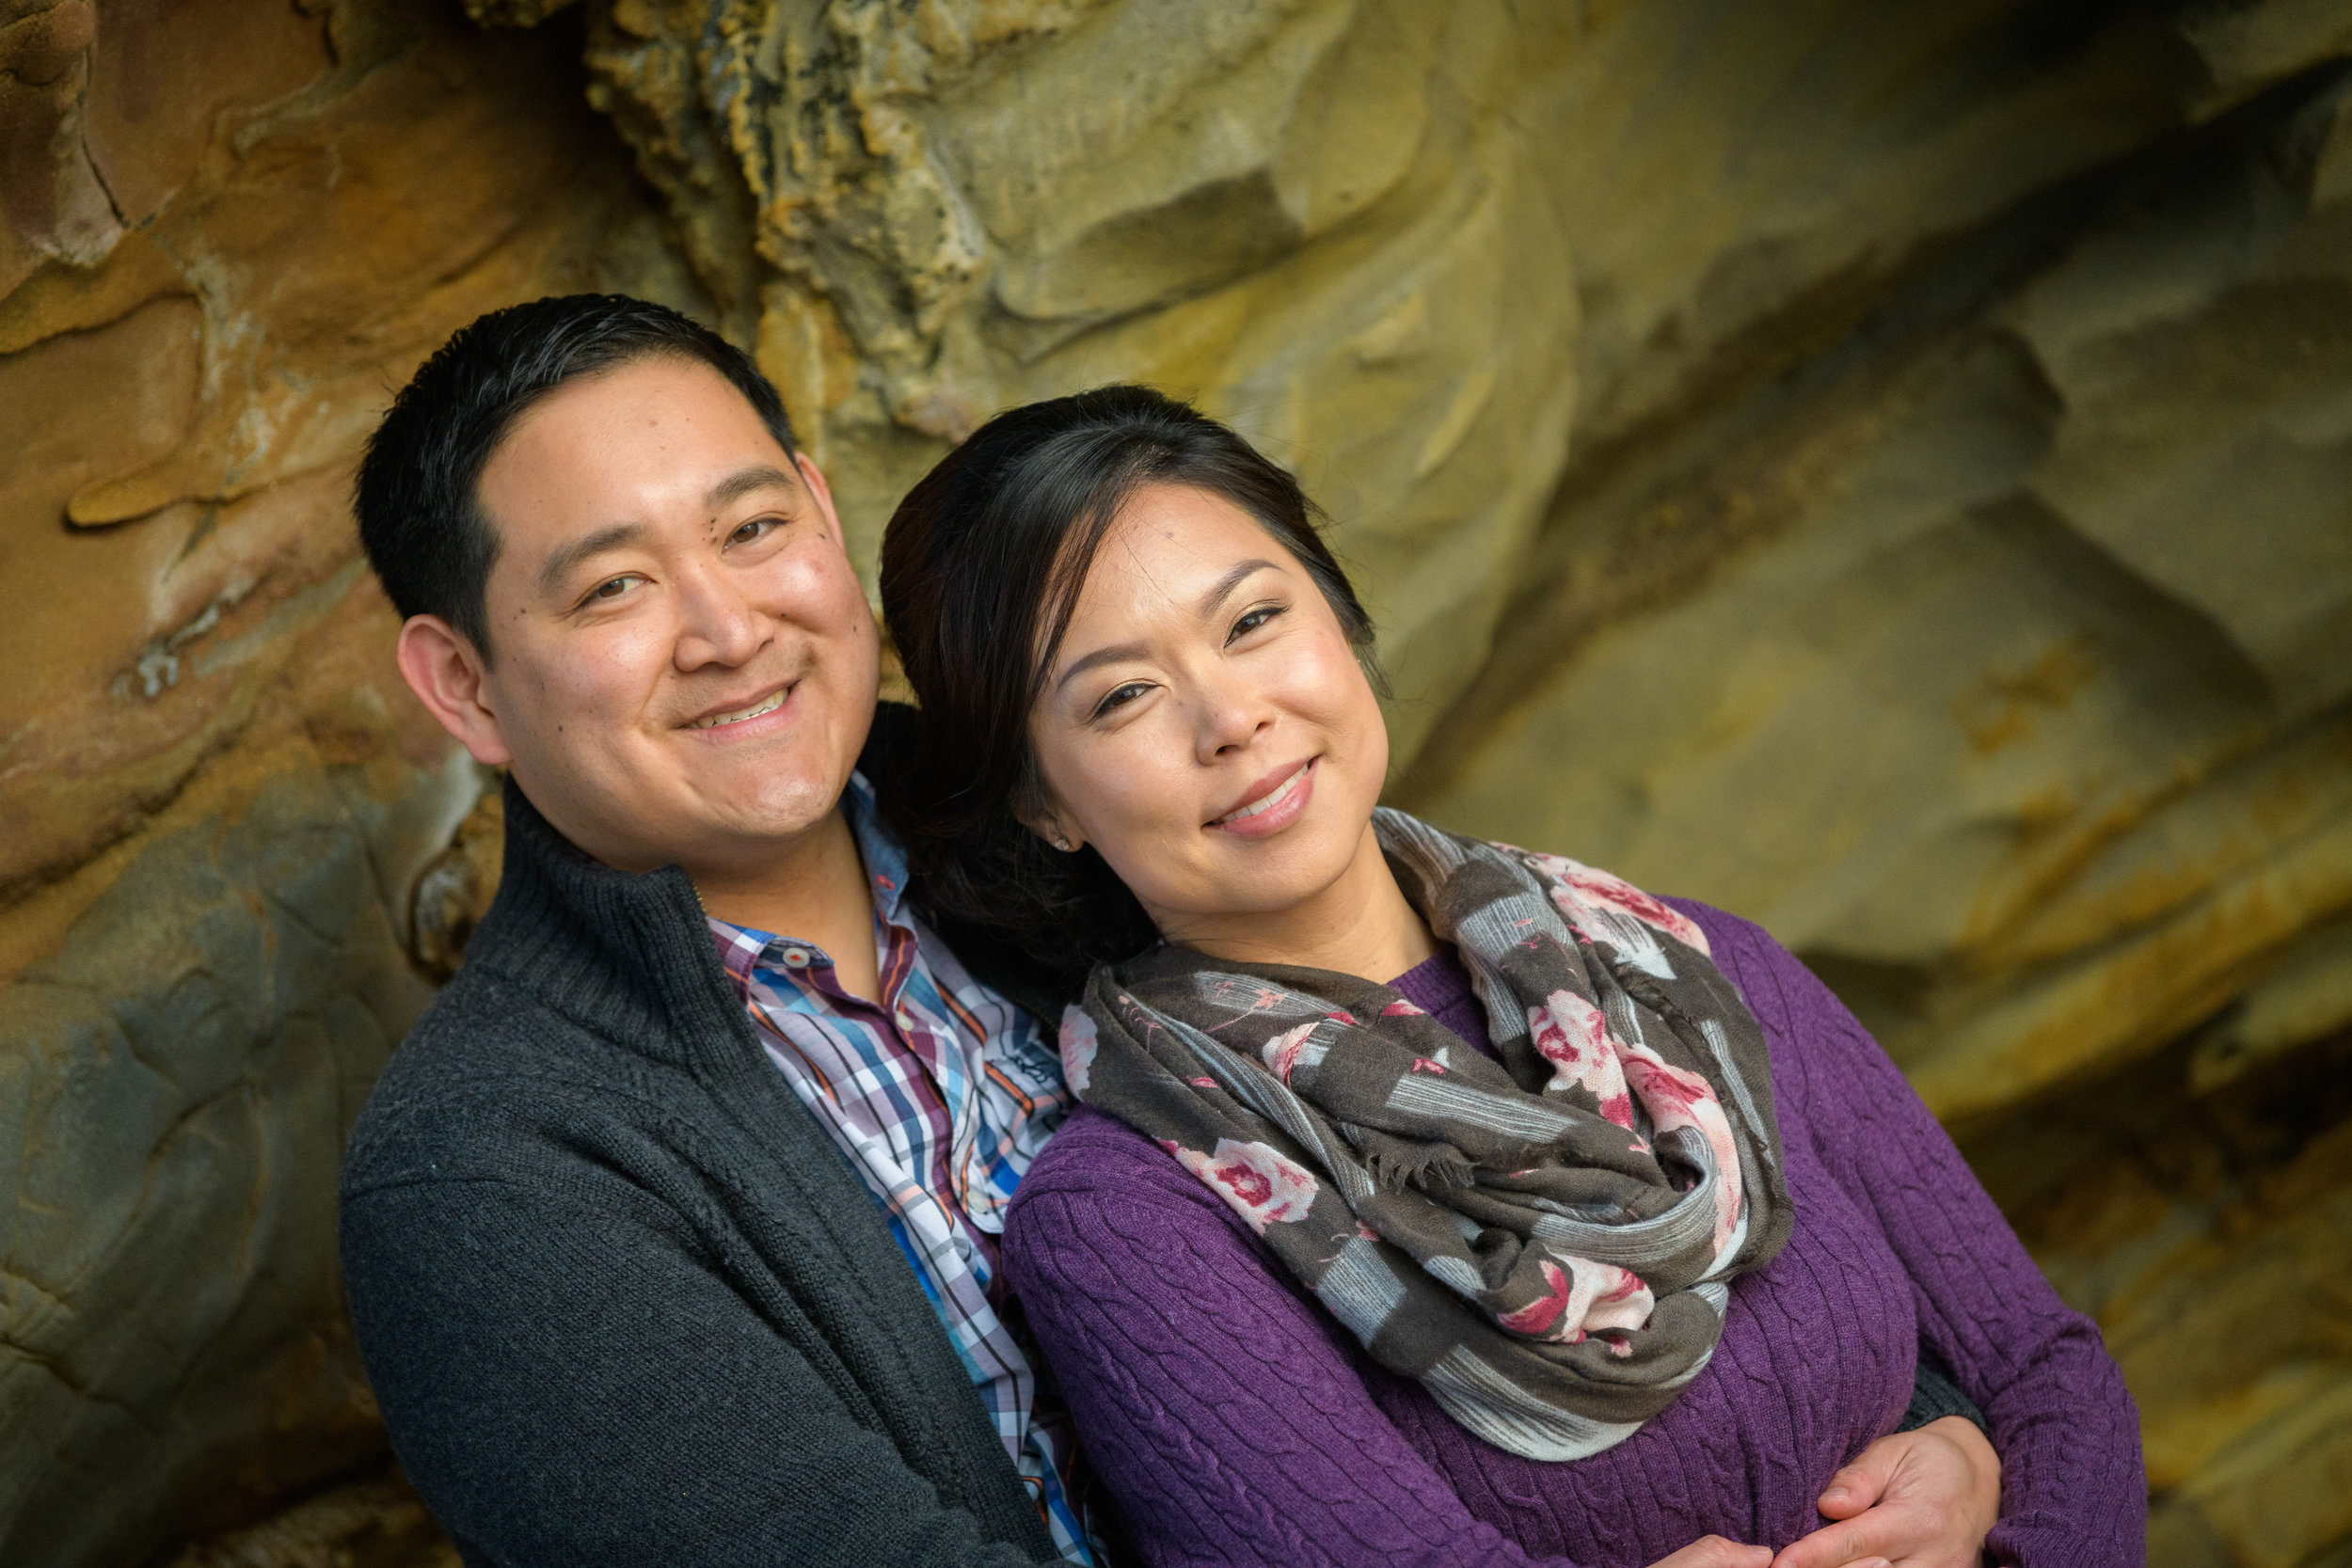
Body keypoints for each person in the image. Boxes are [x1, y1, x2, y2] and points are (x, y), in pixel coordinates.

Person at [873, 385, 2149, 1568]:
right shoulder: (1131, 1222)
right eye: (1123, 698)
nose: (1231, 717)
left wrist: (1979, 1468)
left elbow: (2045, 1370)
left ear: (1342, 620)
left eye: (1255, 620)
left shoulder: (1687, 969)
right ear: (1043, 803)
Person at [341, 294, 1103, 1566]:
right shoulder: (480, 1181)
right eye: (614, 587)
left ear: (820, 506)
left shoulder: (1084, 822)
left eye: (754, 529)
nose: (731, 632)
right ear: (465, 685)